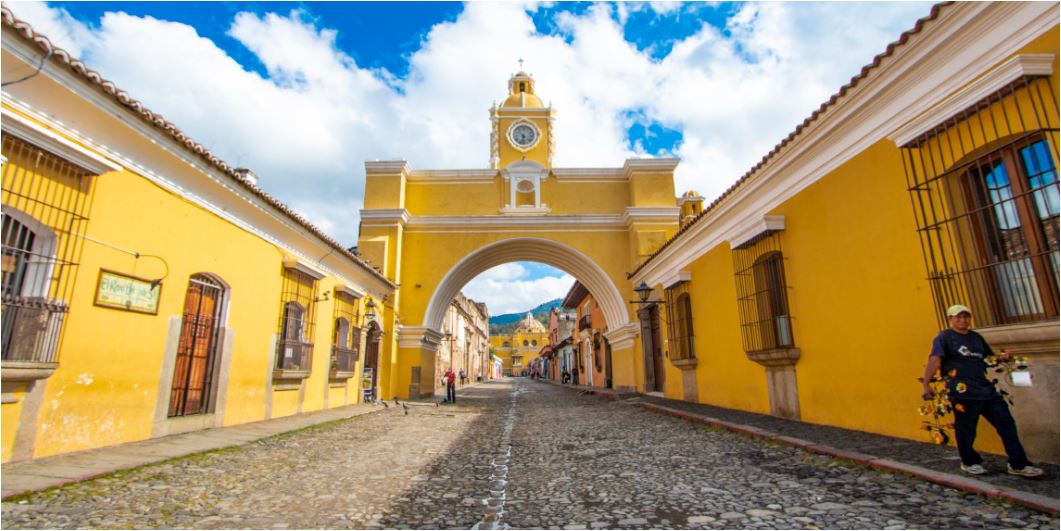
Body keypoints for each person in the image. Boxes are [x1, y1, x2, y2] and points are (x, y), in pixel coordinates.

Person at [921, 304, 1043, 478]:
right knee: (966, 429)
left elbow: (987, 359)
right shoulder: (944, 338)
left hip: (986, 391)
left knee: (1006, 423)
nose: (963, 320)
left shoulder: (976, 338)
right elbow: (935, 359)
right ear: (950, 319)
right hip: (962, 392)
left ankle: (1018, 463)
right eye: (958, 317)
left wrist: (1003, 359)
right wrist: (926, 384)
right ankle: (969, 461)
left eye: (966, 316)